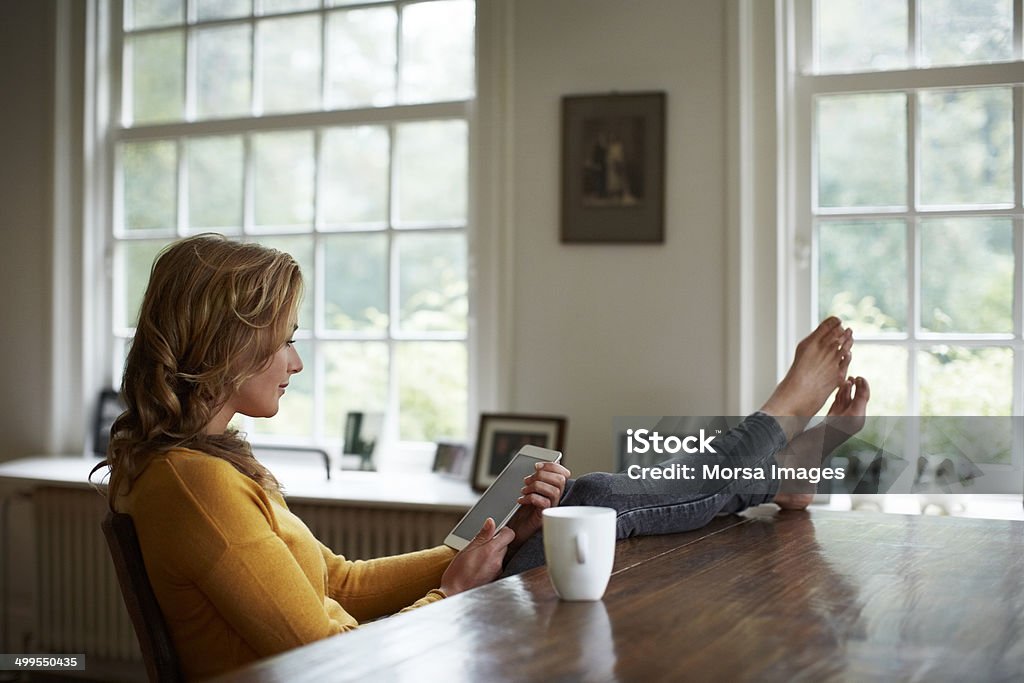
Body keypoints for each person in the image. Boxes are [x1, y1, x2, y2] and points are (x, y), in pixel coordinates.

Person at [92, 235, 869, 680]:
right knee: (592, 500)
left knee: (579, 504)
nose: (295, 361)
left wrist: (477, 548)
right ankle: (774, 439)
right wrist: (454, 593)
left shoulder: (199, 469)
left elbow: (336, 583)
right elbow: (328, 660)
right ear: (231, 340)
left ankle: (775, 459)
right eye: (285, 338)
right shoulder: (194, 486)